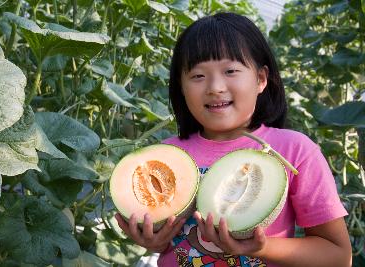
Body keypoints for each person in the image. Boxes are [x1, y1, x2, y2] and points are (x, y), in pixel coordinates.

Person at [115, 12, 351, 267]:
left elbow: (338, 256)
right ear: (180, 87)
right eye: (198, 76)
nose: (215, 86)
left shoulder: (295, 151)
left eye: (230, 70)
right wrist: (153, 241)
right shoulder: (164, 155)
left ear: (261, 79)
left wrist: (264, 247)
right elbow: (168, 242)